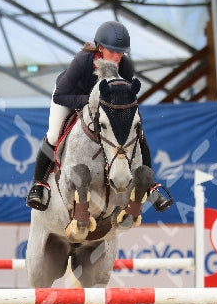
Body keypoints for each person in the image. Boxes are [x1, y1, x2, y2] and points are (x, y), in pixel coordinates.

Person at [25, 21, 173, 212]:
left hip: (105, 107)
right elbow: (60, 95)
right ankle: (39, 185)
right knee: (54, 134)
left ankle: (151, 187)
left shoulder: (125, 66)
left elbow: (124, 97)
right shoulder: (83, 61)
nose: (118, 56)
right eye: (113, 51)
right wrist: (92, 101)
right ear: (100, 48)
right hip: (72, 97)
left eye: (121, 52)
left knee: (137, 133)